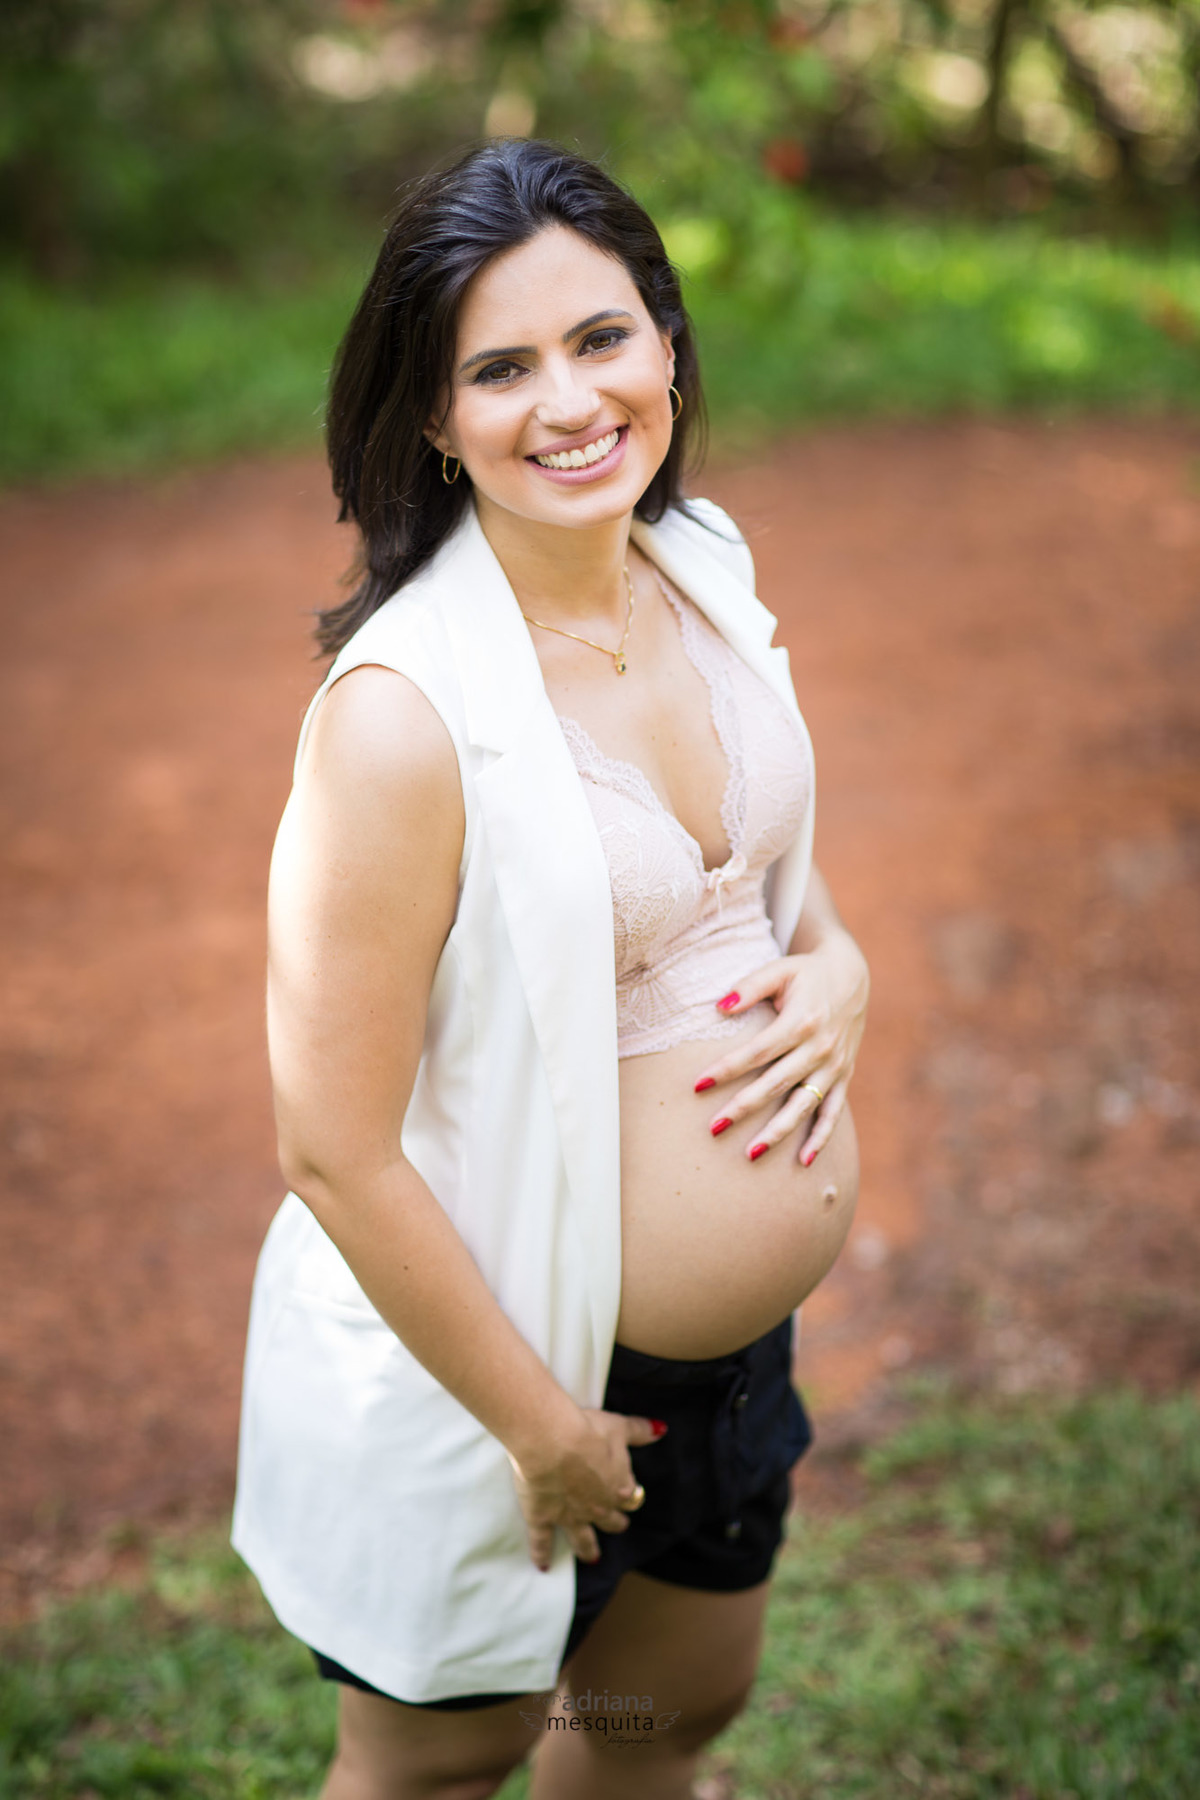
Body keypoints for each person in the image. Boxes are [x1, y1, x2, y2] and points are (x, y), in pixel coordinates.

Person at [232, 139, 869, 1800]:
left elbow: (751, 886)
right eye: (499, 367)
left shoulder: (699, 563)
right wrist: (538, 1422)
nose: (570, 400)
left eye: (601, 338)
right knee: (438, 1772)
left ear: (664, 339)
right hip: (520, 1377)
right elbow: (334, 1147)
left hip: (726, 1377)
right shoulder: (400, 720)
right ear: (433, 420)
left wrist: (844, 965)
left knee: (656, 1734)